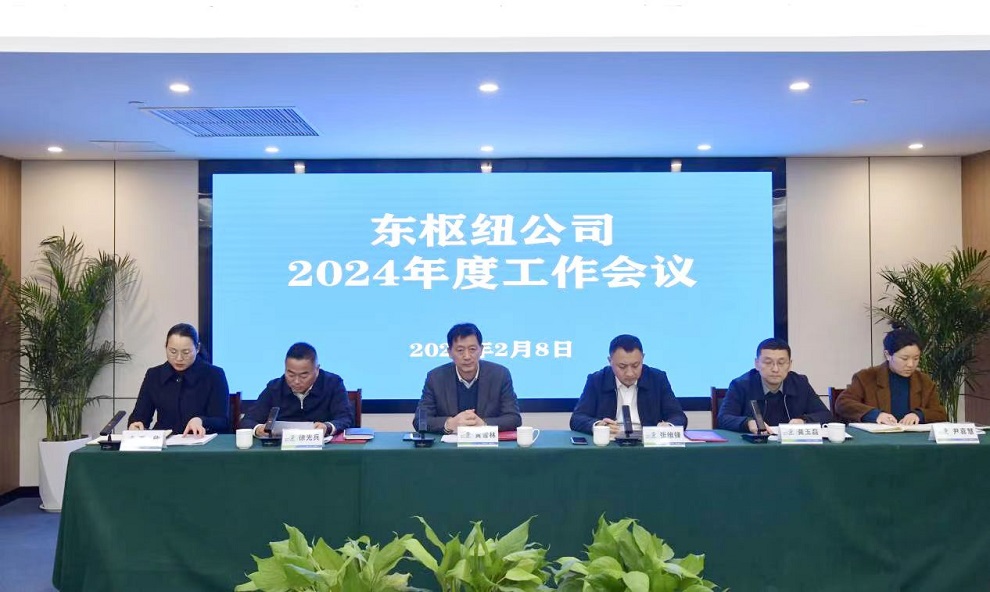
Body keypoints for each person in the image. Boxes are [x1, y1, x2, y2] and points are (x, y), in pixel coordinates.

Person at [413, 323, 522, 433]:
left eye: (472, 349)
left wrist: (484, 424)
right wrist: (450, 424)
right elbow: (420, 420)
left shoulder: (500, 375)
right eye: (460, 350)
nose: (467, 356)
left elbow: (514, 418)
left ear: (481, 350)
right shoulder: (435, 378)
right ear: (449, 352)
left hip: (487, 443)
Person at [570, 334, 687, 435]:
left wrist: (669, 426)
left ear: (643, 358)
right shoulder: (597, 380)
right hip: (611, 444)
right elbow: (577, 418)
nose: (630, 373)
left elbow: (678, 416)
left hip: (647, 444)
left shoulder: (657, 378)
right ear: (610, 361)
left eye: (636, 365)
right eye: (622, 366)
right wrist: (598, 426)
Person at [128, 323, 230, 435]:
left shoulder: (214, 375)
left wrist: (201, 421)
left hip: (201, 442)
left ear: (197, 348)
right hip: (164, 442)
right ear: (166, 347)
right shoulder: (154, 375)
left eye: (186, 352)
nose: (179, 358)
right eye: (173, 351)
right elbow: (139, 416)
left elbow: (222, 421)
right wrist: (135, 425)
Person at [836, 326, 948, 425]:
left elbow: (940, 413)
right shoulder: (866, 377)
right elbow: (843, 403)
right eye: (904, 358)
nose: (911, 364)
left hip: (913, 438)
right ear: (888, 355)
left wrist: (919, 415)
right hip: (878, 439)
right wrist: (875, 415)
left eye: (916, 358)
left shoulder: (924, 381)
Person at [717, 337, 832, 433]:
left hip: (791, 449)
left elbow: (825, 415)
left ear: (790, 364)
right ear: (757, 364)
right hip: (754, 448)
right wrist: (748, 423)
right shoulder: (740, 385)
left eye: (781, 363)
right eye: (768, 362)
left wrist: (804, 421)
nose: (775, 369)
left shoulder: (800, 383)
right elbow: (723, 418)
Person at [240, 342, 354, 437]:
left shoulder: (333, 383)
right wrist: (258, 429)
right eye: (290, 374)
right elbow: (248, 421)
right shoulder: (275, 388)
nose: (296, 381)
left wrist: (327, 427)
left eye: (304, 376)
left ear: (317, 369)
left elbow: (345, 418)